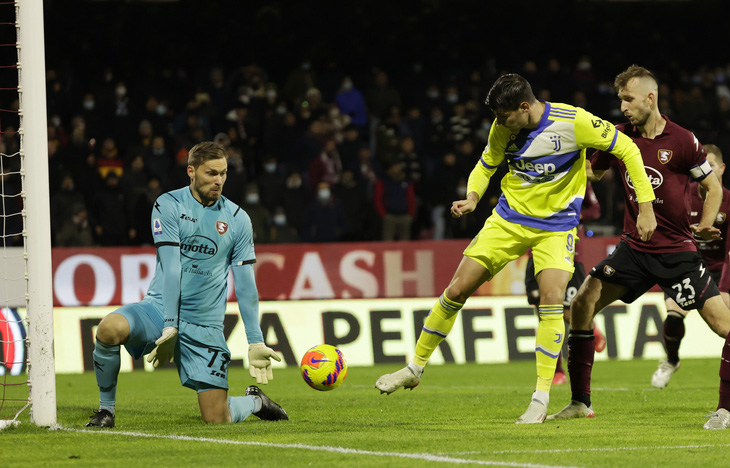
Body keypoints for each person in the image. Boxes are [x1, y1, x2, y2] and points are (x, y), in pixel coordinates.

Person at [375, 73, 657, 425]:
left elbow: (627, 149)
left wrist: (646, 207)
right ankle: (414, 367)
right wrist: (473, 197)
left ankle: (540, 399)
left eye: (505, 116)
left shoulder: (574, 122)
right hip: (508, 221)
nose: (500, 122)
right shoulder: (503, 127)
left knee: (552, 300)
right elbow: (486, 164)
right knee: (456, 289)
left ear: (524, 107)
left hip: (556, 228)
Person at [548, 65, 730, 430]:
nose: (623, 107)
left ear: (651, 97)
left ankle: (725, 409)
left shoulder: (682, 140)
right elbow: (591, 172)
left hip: (678, 252)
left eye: (628, 99)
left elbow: (712, 188)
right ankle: (580, 402)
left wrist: (707, 224)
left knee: (725, 327)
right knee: (582, 303)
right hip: (633, 249)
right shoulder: (619, 137)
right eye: (620, 100)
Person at [86, 141, 287, 428]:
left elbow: (245, 285)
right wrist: (170, 325)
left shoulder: (238, 219)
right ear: (191, 171)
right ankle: (106, 410)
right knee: (108, 329)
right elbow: (172, 268)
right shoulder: (168, 205)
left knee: (218, 418)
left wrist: (255, 340)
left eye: (224, 173)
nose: (219, 180)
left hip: (205, 324)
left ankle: (256, 401)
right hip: (159, 309)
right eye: (211, 173)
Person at [651, 144, 730, 388]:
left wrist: (725, 287)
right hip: (688, 268)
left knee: (725, 328)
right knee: (674, 315)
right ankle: (671, 360)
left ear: (722, 168)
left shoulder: (728, 201)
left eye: (712, 165)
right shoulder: (683, 195)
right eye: (703, 165)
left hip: (721, 271)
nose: (707, 169)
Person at [524, 182, 605, 386]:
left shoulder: (579, 179)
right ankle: (557, 372)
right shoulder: (535, 176)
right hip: (537, 254)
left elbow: (595, 210)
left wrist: (571, 215)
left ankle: (592, 327)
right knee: (544, 315)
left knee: (570, 314)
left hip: (570, 256)